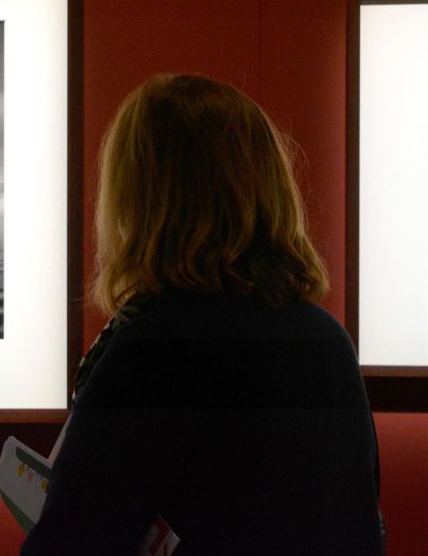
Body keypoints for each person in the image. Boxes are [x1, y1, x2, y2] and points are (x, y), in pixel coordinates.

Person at [20, 74, 383, 556]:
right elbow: (355, 527)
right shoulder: (324, 338)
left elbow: (75, 539)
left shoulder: (151, 347)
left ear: (142, 195)